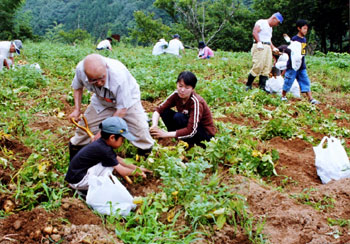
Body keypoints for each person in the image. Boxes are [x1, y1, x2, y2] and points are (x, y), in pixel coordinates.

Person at [68, 54, 154, 160]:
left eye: (101, 78)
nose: (99, 83)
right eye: (93, 80)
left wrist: (102, 133)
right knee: (83, 132)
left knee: (141, 130)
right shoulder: (81, 69)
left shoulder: (119, 75)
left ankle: (144, 158)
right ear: (86, 75)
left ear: (106, 68)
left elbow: (122, 110)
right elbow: (77, 88)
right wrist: (77, 109)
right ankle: (77, 160)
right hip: (102, 101)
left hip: (128, 102)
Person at [65, 116, 152, 191]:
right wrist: (137, 173)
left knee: (111, 163)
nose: (122, 142)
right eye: (122, 139)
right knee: (109, 170)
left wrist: (138, 169)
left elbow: (119, 160)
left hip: (74, 176)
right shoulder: (104, 149)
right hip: (78, 181)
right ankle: (90, 191)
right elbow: (122, 171)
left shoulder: (101, 144)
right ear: (112, 138)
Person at [150, 71, 215, 147]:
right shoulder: (176, 95)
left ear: (192, 89)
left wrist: (165, 134)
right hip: (188, 128)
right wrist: (154, 125)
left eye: (187, 88)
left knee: (179, 117)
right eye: (180, 86)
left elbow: (192, 130)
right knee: (165, 111)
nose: (182, 90)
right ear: (177, 84)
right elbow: (159, 109)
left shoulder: (196, 102)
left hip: (204, 135)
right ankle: (176, 138)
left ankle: (187, 142)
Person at [281, 20, 319, 104]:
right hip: (293, 65)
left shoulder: (304, 40)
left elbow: (302, 52)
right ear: (299, 28)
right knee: (288, 80)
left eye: (307, 29)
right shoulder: (295, 39)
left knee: (305, 80)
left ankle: (310, 98)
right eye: (304, 28)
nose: (306, 30)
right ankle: (283, 96)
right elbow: (292, 52)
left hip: (301, 65)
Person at [246, 12, 283, 91]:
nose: (277, 25)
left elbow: (268, 40)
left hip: (267, 47)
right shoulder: (261, 22)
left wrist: (273, 48)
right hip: (260, 46)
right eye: (277, 22)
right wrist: (259, 42)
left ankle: (262, 87)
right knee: (258, 65)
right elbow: (255, 32)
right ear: (274, 18)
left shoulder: (270, 28)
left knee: (267, 67)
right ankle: (248, 85)